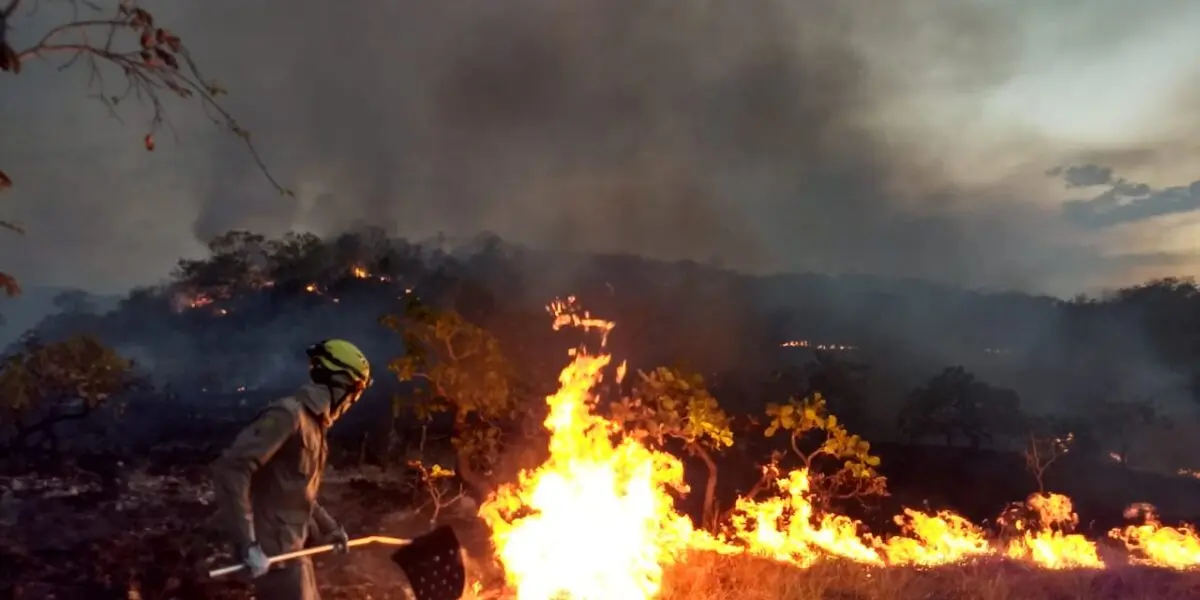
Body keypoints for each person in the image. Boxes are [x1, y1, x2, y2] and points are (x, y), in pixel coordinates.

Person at [211, 339, 372, 600]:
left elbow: (297, 491)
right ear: (339, 383)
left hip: (295, 551)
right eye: (355, 390)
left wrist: (330, 528)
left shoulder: (314, 426)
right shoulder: (289, 415)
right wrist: (247, 544)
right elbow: (232, 469)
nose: (354, 400)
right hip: (272, 556)